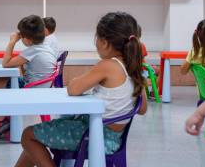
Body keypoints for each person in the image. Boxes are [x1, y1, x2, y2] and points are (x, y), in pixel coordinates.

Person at [15, 12, 148, 167]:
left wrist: (75, 82)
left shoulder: (108, 65)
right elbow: (142, 109)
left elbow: (73, 89)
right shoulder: (134, 69)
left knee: (28, 135)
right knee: (38, 135)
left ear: (104, 42)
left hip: (94, 136)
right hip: (113, 138)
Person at [0, 15, 57, 139]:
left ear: (27, 39)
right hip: (41, 88)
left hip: (31, 91)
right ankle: (3, 116)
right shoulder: (46, 47)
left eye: (21, 36)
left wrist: (12, 42)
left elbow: (5, 63)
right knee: (1, 81)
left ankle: (1, 120)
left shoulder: (33, 51)